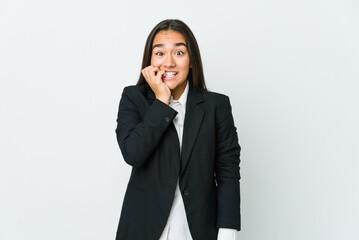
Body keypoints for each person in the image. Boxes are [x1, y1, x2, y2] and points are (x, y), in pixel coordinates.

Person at [115, 19, 241, 240]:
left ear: (191, 60)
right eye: (160, 53)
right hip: (143, 229)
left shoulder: (216, 106)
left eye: (179, 53)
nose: (169, 63)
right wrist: (161, 102)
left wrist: (227, 233)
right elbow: (132, 154)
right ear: (150, 61)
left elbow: (228, 172)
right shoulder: (133, 99)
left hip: (196, 230)